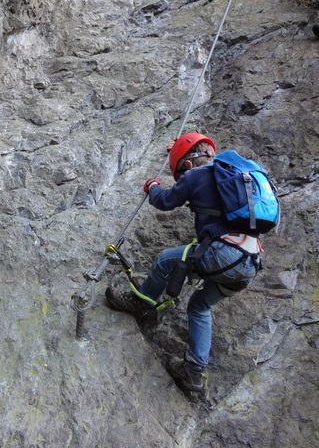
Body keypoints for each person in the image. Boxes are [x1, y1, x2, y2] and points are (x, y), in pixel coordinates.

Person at [105, 133, 263, 403]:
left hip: (222, 254)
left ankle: (141, 303)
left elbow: (164, 201)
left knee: (166, 259)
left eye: (180, 173)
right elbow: (200, 151)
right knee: (200, 307)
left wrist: (153, 185)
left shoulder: (196, 174)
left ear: (188, 166)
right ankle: (193, 373)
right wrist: (177, 149)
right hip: (250, 261)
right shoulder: (234, 174)